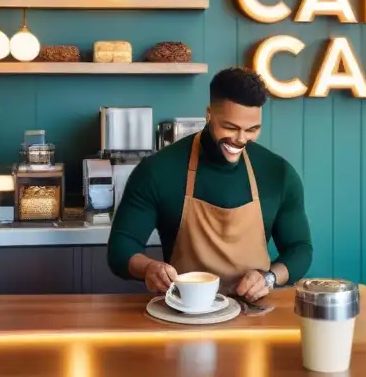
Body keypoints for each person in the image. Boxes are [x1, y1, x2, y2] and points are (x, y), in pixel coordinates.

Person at [107, 66, 313, 301]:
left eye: (252, 129)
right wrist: (148, 268)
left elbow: (300, 249)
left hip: (254, 316)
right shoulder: (158, 171)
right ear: (208, 114)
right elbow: (121, 248)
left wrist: (269, 278)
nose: (241, 139)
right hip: (185, 312)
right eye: (230, 127)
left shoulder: (279, 173)